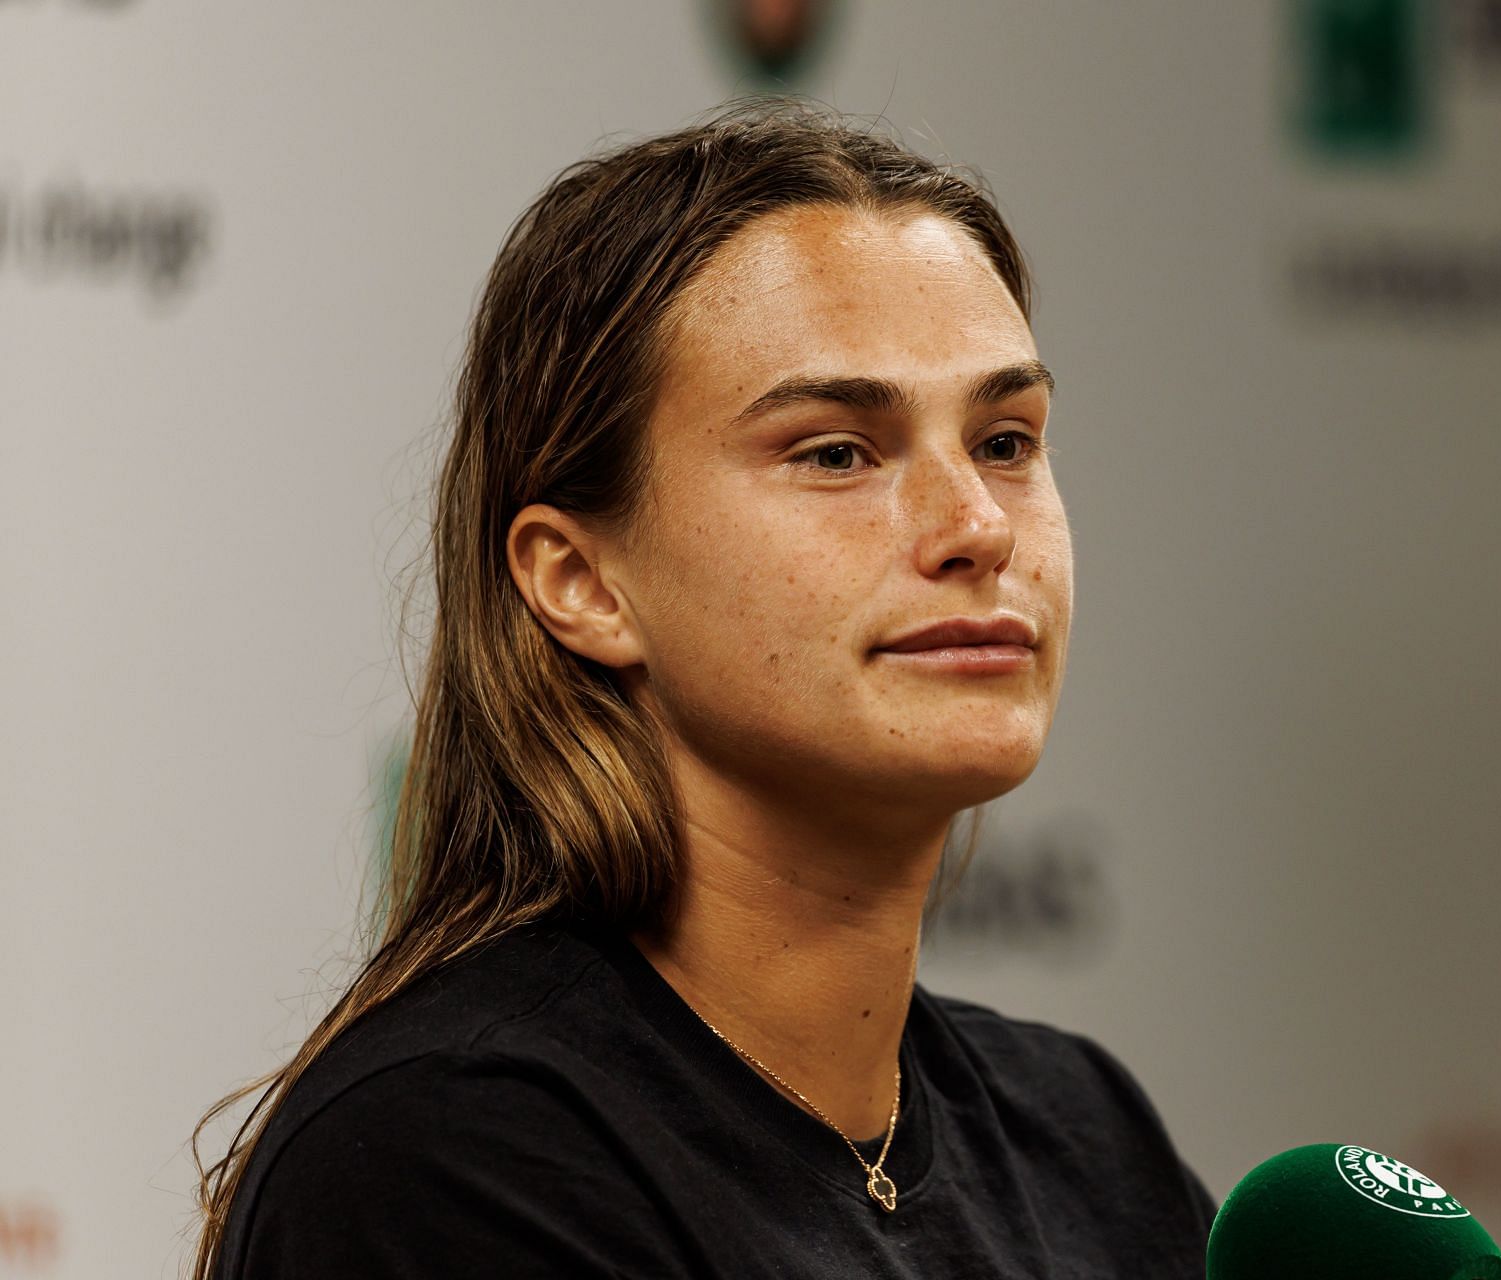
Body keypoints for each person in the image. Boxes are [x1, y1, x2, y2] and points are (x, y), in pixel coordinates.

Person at [191, 100, 1215, 1278]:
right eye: (837, 450)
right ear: (581, 581)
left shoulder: (1086, 1137)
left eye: (1005, 440)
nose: (978, 527)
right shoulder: (445, 1158)